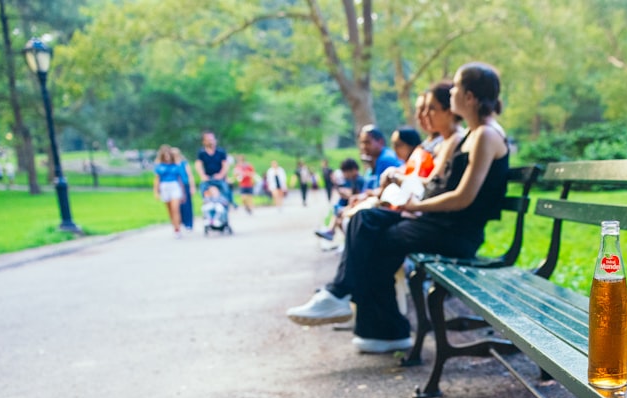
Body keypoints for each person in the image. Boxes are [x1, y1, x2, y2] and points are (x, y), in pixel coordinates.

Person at [286, 62, 510, 353]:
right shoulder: (474, 134)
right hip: (441, 225)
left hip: (456, 234)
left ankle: (360, 310)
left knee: (370, 231)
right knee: (365, 222)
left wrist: (416, 205)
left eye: (456, 87)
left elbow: (463, 198)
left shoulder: (486, 135)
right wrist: (413, 205)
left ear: (469, 97)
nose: (451, 91)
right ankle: (374, 325)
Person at [153, 144, 186, 239]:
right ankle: (174, 226)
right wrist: (156, 191)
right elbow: (157, 179)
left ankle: (178, 228)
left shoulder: (176, 165)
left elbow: (180, 179)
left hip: (174, 186)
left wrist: (183, 192)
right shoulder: (159, 166)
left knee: (175, 208)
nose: (167, 157)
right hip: (164, 187)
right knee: (170, 210)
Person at [194, 130, 235, 207]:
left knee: (225, 190)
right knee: (203, 189)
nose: (211, 141)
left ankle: (229, 204)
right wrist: (202, 176)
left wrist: (221, 175)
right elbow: (198, 164)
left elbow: (225, 165)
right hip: (208, 177)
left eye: (212, 139)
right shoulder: (201, 153)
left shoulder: (220, 151)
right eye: (209, 140)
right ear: (204, 141)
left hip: (219, 177)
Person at [172, 147, 195, 233]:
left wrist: (192, 187)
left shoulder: (183, 163)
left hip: (185, 185)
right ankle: (179, 223)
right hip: (175, 186)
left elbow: (189, 175)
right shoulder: (171, 164)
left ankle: (188, 223)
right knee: (177, 206)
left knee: (187, 205)